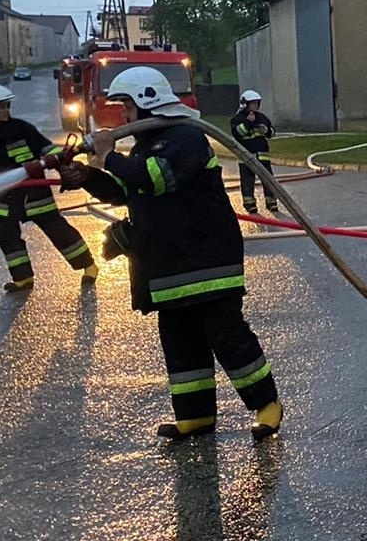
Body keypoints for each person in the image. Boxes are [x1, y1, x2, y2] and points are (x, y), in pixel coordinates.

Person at [56, 66, 282, 443]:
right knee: (179, 339)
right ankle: (195, 416)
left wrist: (109, 155)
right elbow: (127, 191)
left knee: (226, 335)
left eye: (126, 106)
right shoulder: (147, 145)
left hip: (207, 260)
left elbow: (153, 178)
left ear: (146, 103)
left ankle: (266, 404)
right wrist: (88, 177)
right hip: (169, 265)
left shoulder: (187, 138)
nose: (123, 116)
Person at [0, 83, 98, 293]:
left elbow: (46, 148)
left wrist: (62, 158)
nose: (6, 111)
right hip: (2, 198)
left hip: (34, 194)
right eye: (1, 107)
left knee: (58, 230)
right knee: (5, 234)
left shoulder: (21, 128)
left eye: (7, 106)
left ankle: (88, 266)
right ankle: (23, 279)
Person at [229, 89, 278, 214]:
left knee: (268, 181)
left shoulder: (262, 117)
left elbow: (272, 133)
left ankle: (272, 203)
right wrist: (248, 122)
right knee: (247, 182)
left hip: (263, 156)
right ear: (245, 104)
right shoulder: (238, 119)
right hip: (246, 157)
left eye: (257, 103)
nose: (255, 105)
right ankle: (250, 205)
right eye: (253, 103)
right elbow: (238, 133)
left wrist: (266, 130)